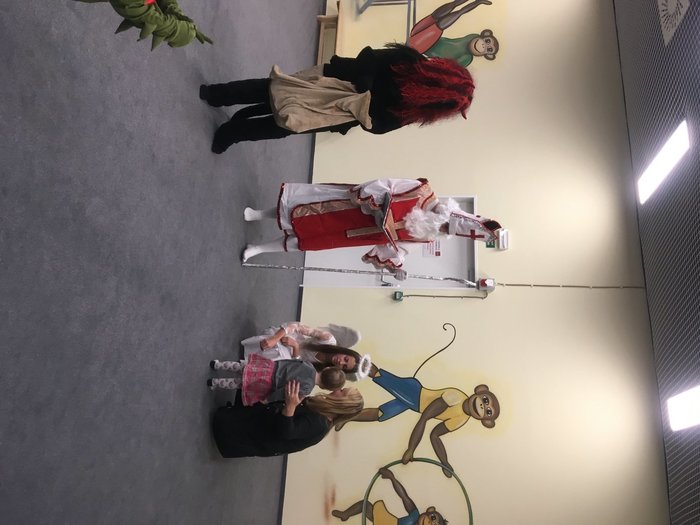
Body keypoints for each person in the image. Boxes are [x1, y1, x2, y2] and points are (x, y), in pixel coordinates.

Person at [200, 44, 475, 153]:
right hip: (335, 78)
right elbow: (370, 56)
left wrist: (365, 111)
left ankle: (231, 133)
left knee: (284, 124)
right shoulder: (408, 59)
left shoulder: (413, 111)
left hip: (336, 113)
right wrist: (365, 81)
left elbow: (380, 127)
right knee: (270, 89)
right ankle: (217, 94)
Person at [242, 178, 503, 279]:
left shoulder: (428, 235)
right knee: (301, 209)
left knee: (308, 240)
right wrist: (375, 204)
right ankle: (258, 214)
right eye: (446, 224)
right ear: (447, 213)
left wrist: (397, 265)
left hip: (354, 233)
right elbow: (385, 184)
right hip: (352, 208)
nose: (443, 228)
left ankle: (258, 249)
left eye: (447, 229)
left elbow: (400, 248)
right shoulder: (420, 190)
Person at [212, 381, 364, 457]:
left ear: (343, 403)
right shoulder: (321, 411)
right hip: (262, 425)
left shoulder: (319, 423)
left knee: (225, 420)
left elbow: (286, 433)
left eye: (342, 391)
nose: (337, 390)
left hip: (243, 437)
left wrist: (290, 406)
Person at [241, 322, 372, 379]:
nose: (341, 362)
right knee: (281, 351)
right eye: (345, 359)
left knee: (282, 362)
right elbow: (297, 327)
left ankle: (247, 366)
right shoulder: (328, 340)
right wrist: (275, 338)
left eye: (344, 366)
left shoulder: (326, 371)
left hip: (292, 359)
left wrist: (296, 348)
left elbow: (298, 369)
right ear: (345, 352)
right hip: (289, 340)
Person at [207, 354, 345, 406]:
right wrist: (268, 399)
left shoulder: (309, 365)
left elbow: (289, 361)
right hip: (268, 383)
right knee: (240, 384)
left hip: (270, 367)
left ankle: (217, 364)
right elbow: (284, 392)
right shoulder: (306, 389)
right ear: (325, 388)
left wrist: (274, 363)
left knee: (241, 367)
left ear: (327, 369)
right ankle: (214, 383)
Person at [332, 467, 447, 524]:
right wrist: (392, 478)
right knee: (365, 505)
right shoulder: (414, 514)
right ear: (430, 510)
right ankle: (345, 515)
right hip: (387, 522)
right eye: (433, 518)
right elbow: (404, 496)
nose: (429, 523)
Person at [408, 0, 494, 61]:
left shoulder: (467, 57)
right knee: (436, 17)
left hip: (420, 46)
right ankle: (477, 2)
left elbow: (453, 66)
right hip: (421, 40)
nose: (484, 45)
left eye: (489, 49)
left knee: (440, 21)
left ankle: (477, 2)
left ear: (489, 55)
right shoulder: (473, 38)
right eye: (487, 41)